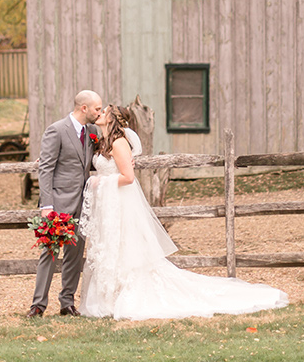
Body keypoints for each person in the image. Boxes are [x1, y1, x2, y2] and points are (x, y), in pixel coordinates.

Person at [78, 104, 288, 320]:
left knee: (123, 247)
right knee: (109, 246)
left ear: (113, 119)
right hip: (108, 205)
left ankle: (121, 295)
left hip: (119, 204)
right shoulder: (102, 141)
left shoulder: (119, 143)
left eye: (104, 112)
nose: (100, 113)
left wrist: (101, 181)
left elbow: (128, 178)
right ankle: (107, 297)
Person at [28, 89, 103, 318]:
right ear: (84, 108)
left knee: (74, 255)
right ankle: (38, 305)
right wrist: (47, 205)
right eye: (97, 109)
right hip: (58, 204)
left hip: (83, 203)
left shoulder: (93, 132)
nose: (99, 113)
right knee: (49, 254)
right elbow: (46, 168)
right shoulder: (57, 130)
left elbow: (102, 154)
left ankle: (67, 303)